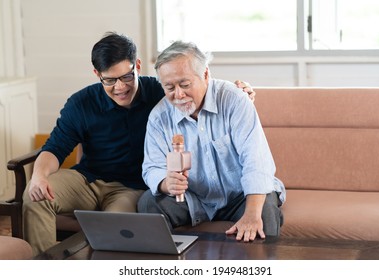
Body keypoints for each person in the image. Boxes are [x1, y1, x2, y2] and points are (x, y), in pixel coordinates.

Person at [23, 32, 255, 256]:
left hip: (133, 188)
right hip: (87, 179)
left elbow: (196, 85)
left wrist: (238, 89)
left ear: (138, 65)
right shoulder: (81, 103)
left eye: (126, 76)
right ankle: (43, 266)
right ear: (97, 74)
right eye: (109, 80)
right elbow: (54, 148)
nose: (120, 87)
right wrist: (39, 177)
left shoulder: (161, 92)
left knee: (114, 230)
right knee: (35, 196)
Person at [138, 41, 286, 242]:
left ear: (206, 75)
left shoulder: (235, 100)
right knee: (148, 202)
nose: (178, 95)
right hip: (193, 198)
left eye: (185, 84)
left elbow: (256, 161)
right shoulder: (159, 117)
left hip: (240, 195)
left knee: (263, 210)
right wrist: (165, 183)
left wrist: (251, 215)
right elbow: (151, 167)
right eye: (169, 87)